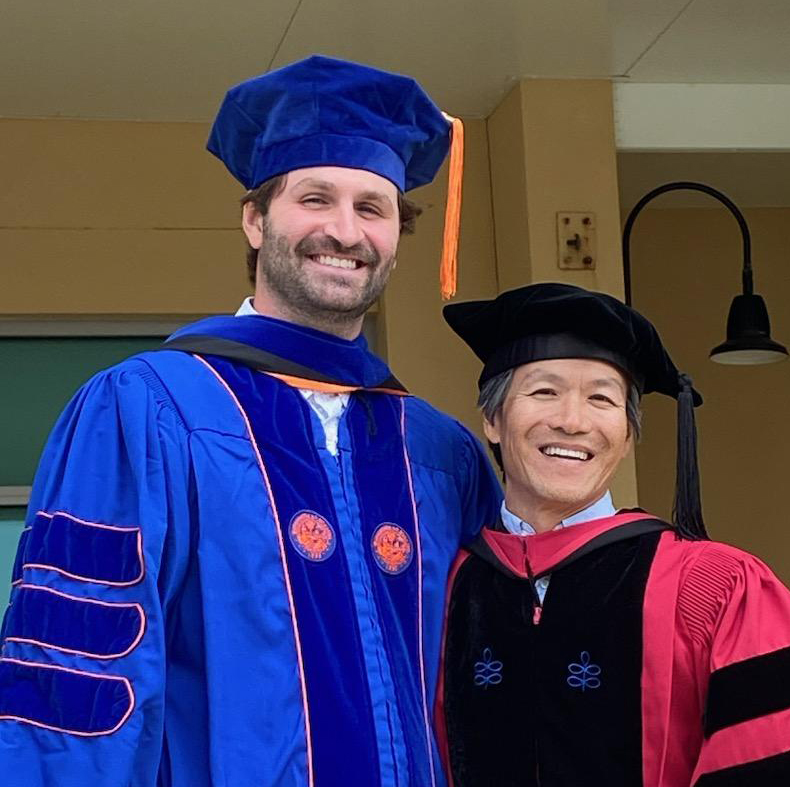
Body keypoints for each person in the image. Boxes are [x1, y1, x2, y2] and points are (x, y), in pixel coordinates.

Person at [0, 56, 500, 787]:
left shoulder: (437, 450)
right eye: (315, 198)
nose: (344, 229)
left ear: (398, 231)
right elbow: (74, 678)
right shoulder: (148, 409)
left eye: (372, 207)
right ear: (255, 217)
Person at [436, 282, 790, 786]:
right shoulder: (452, 586)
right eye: (544, 392)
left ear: (626, 437)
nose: (572, 421)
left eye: (602, 399)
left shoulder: (717, 586)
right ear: (492, 420)